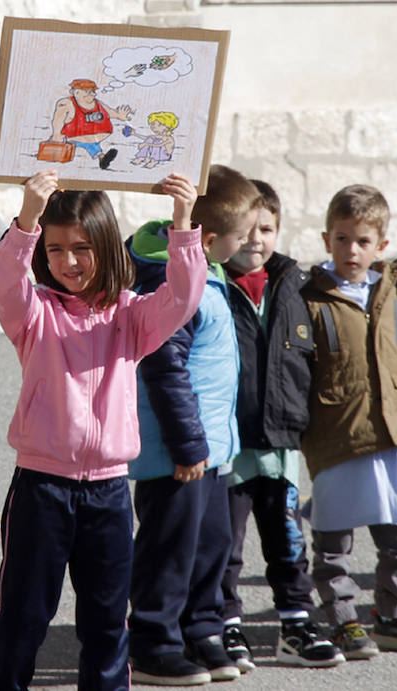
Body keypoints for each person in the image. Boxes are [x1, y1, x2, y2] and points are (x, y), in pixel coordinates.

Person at [0, 169, 206, 691]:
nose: (69, 261)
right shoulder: (34, 313)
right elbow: (6, 281)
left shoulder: (131, 316)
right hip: (41, 488)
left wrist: (182, 222)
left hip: (107, 493)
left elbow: (184, 296)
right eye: (56, 250)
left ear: (106, 245)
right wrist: (28, 218)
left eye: (82, 247)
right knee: (23, 618)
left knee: (105, 625)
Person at [126, 164, 256, 686]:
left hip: (211, 449)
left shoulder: (211, 271)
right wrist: (186, 446)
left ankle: (201, 628)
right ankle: (155, 641)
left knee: (210, 544)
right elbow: (165, 371)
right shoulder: (170, 280)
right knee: (169, 548)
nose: (247, 242)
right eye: (242, 234)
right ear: (212, 236)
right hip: (178, 453)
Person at [301, 184, 397, 661]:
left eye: (362, 241)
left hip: (391, 433)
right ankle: (343, 621)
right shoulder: (310, 297)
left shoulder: (390, 291)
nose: (351, 250)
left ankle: (392, 616)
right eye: (341, 239)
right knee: (333, 543)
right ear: (326, 239)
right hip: (336, 433)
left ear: (380, 246)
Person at [220, 179, 338, 670]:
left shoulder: (295, 284)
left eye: (265, 228)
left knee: (287, 542)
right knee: (224, 548)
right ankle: (223, 625)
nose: (255, 239)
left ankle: (295, 622)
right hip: (228, 446)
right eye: (245, 229)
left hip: (282, 441)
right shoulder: (209, 282)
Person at [50, 79, 134, 169]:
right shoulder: (67, 103)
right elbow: (58, 120)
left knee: (91, 143)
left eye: (93, 91)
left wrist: (119, 115)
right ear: (75, 92)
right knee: (85, 144)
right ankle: (100, 156)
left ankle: (102, 158)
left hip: (90, 136)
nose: (93, 94)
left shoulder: (96, 103)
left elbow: (108, 111)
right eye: (87, 92)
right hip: (72, 137)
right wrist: (56, 134)